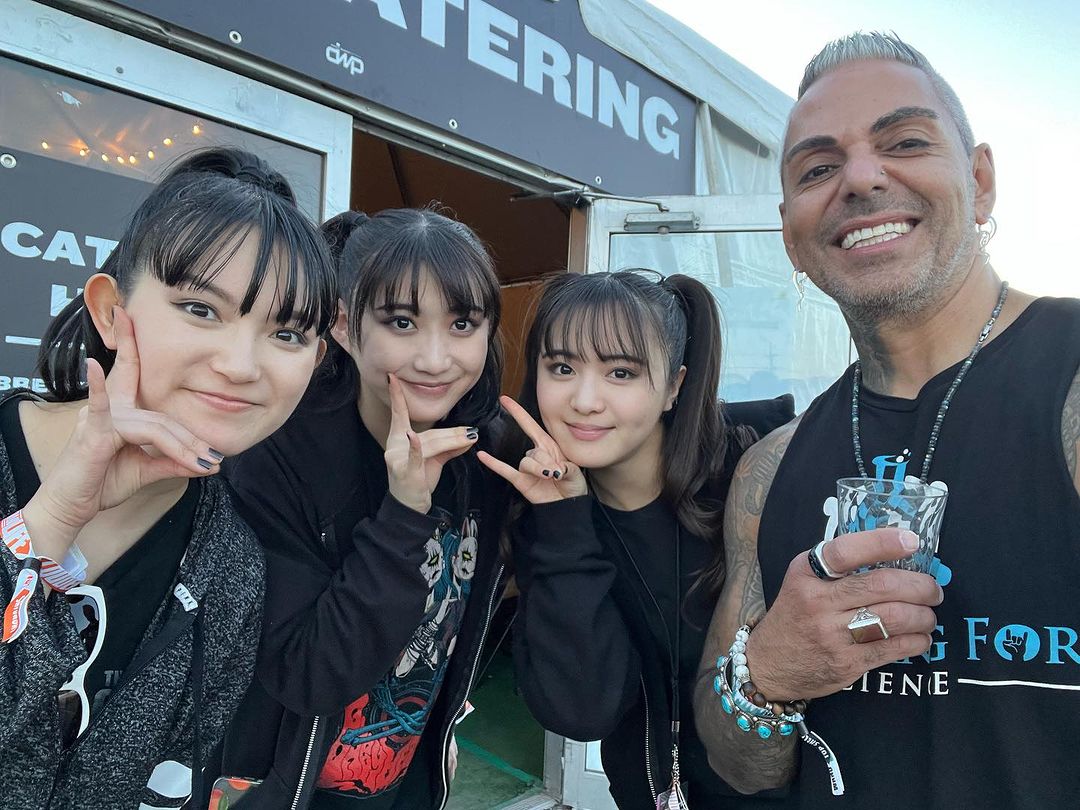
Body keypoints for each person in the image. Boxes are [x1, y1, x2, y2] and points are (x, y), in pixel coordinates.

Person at [693, 32, 1080, 809]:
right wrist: (769, 674)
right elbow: (739, 765)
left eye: (903, 141)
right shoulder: (770, 469)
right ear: (792, 235)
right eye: (818, 168)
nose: (862, 178)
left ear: (980, 180)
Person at [0, 147, 337, 809]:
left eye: (288, 333)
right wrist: (52, 522)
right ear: (108, 311)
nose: (242, 365)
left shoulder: (231, 568)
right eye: (201, 309)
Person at [218, 208, 508, 809]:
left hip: (405, 786)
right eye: (401, 322)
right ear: (346, 329)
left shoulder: (486, 457)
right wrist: (403, 511)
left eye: (462, 324)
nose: (435, 358)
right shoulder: (278, 459)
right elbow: (307, 671)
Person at [479, 271, 794, 809]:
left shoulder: (755, 478)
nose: (583, 399)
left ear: (674, 386)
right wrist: (562, 521)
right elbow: (581, 711)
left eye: (620, 372)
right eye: (562, 367)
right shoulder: (540, 513)